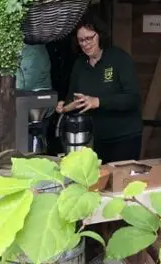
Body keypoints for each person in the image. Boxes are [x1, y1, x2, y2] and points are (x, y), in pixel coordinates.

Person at [57, 17, 141, 164]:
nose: (85, 44)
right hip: (93, 139)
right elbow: (73, 96)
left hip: (124, 137)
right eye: (81, 40)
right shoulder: (80, 64)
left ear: (100, 35)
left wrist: (98, 102)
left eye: (89, 38)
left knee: (120, 184)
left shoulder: (119, 59)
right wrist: (65, 106)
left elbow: (133, 98)